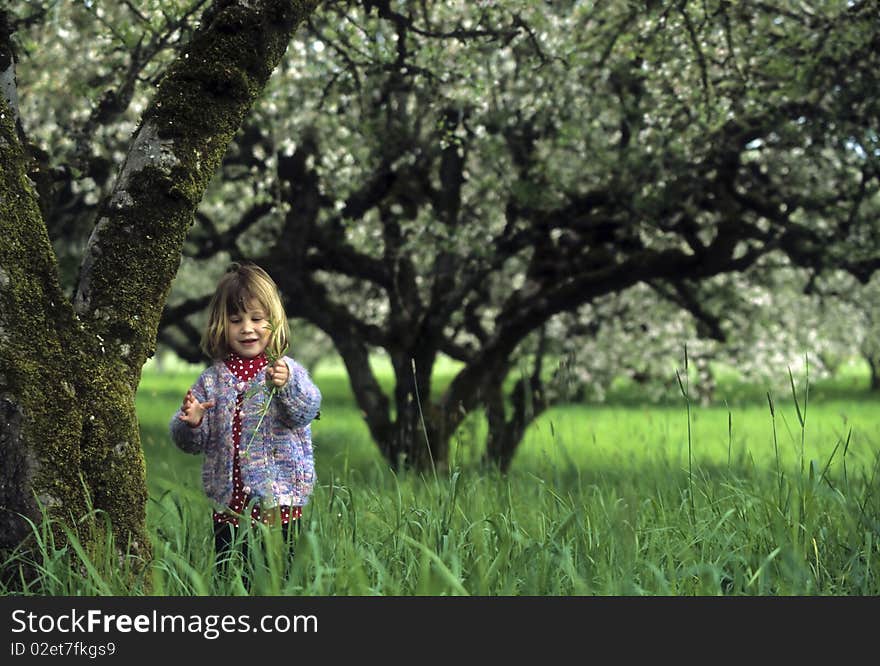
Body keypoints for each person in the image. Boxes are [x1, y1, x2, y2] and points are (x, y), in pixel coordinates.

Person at [169, 262, 321, 578]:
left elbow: (305, 411)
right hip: (229, 505)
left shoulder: (283, 370)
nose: (247, 328)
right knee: (232, 574)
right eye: (236, 320)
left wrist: (288, 383)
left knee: (278, 574)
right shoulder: (211, 381)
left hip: (278, 500)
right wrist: (192, 422)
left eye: (257, 319)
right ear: (220, 325)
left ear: (273, 322)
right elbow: (190, 444)